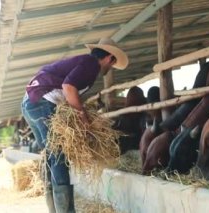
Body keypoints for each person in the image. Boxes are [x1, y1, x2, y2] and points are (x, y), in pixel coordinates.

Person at [21, 38, 128, 213]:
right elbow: (69, 87)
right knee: (58, 155)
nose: (111, 68)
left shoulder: (83, 62)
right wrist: (84, 118)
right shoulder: (91, 64)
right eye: (113, 63)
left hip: (30, 103)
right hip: (41, 103)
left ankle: (54, 209)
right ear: (109, 58)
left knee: (50, 156)